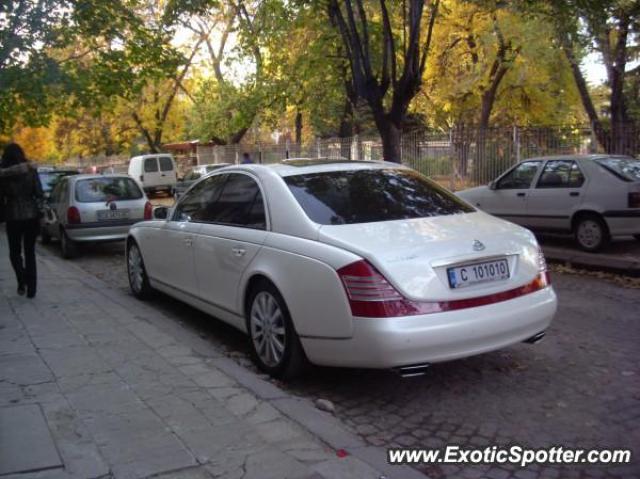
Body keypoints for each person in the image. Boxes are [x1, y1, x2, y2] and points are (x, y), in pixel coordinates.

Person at [0, 143, 44, 298]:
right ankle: (32, 289)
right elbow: (39, 192)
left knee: (14, 252)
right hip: (31, 214)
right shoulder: (31, 170)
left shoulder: (2, 174)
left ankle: (21, 279)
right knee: (30, 252)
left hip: (12, 215)